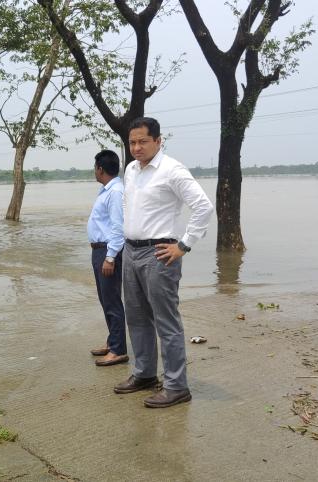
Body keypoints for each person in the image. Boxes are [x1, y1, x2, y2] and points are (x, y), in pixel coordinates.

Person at [113, 117, 213, 408]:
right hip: (130, 252)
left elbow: (203, 207)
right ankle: (144, 374)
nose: (136, 147)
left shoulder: (172, 170)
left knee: (165, 322)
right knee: (136, 317)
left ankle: (176, 386)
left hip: (159, 254)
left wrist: (183, 245)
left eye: (143, 141)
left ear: (158, 141)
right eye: (132, 142)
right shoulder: (131, 170)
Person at [87, 150, 128, 366]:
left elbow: (117, 227)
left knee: (112, 300)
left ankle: (118, 350)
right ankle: (113, 341)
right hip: (100, 250)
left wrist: (110, 257)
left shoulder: (115, 192)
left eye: (95, 167)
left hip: (107, 251)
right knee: (106, 299)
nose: (94, 171)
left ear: (100, 169)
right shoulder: (107, 190)